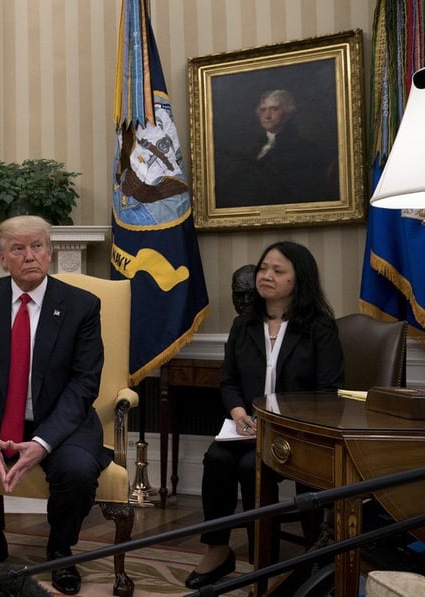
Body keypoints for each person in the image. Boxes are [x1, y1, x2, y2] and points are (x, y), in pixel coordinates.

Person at [0, 215, 110, 596]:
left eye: (38, 246)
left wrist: (43, 442)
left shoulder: (81, 306)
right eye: (18, 248)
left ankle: (60, 549)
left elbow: (84, 383)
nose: (30, 256)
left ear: (50, 252)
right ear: (2, 259)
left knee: (77, 471)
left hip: (60, 421)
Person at [184, 241, 344, 589]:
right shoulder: (244, 326)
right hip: (247, 429)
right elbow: (228, 381)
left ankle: (265, 561)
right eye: (263, 269)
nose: (266, 276)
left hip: (296, 434)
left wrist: (278, 423)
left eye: (277, 270)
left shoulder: (319, 328)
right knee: (216, 458)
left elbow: (327, 393)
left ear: (298, 279)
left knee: (247, 467)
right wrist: (240, 413)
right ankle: (218, 549)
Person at [215, 89, 337, 207]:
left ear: (288, 114)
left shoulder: (305, 149)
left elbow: (299, 191)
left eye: (274, 109)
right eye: (263, 110)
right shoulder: (250, 146)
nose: (267, 116)